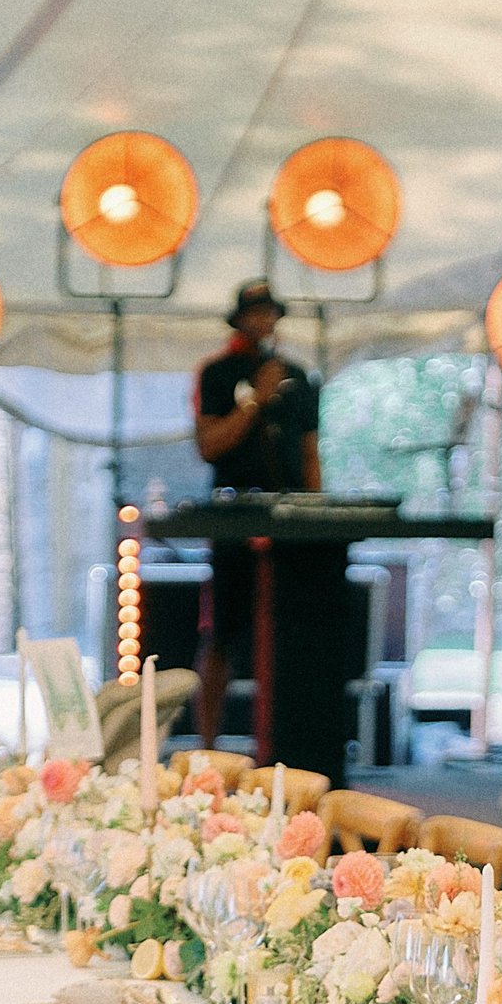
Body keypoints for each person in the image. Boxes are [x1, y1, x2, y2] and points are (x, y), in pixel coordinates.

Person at [180, 283, 323, 749]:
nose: (263, 322)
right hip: (234, 513)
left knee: (289, 634)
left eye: (269, 314)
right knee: (222, 632)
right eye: (254, 313)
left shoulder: (298, 377)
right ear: (240, 318)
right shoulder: (217, 374)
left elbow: (309, 452)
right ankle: (208, 743)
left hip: (290, 518)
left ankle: (284, 739)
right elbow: (209, 444)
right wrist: (254, 401)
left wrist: (317, 513)